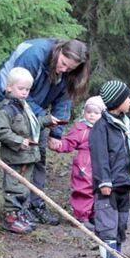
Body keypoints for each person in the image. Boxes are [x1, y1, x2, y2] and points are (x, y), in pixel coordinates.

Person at [0, 38, 90, 226]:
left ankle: (36, 204)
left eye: (69, 69)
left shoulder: (69, 73)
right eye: (63, 64)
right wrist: (42, 118)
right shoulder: (35, 55)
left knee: (39, 155)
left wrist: (56, 132)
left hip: (35, 108)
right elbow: (19, 92)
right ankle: (18, 209)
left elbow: (64, 101)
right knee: (22, 158)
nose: (64, 70)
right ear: (59, 52)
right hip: (11, 104)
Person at [88, 79, 130, 258]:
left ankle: (117, 255)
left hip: (124, 183)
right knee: (107, 223)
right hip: (108, 186)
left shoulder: (126, 124)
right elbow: (100, 157)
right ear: (116, 101)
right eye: (127, 98)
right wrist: (104, 181)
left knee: (121, 222)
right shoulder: (101, 128)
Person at [0, 67, 42, 234]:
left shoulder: (24, 107)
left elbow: (29, 126)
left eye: (27, 89)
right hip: (15, 156)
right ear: (9, 87)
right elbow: (2, 131)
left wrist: (47, 121)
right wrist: (19, 141)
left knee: (24, 187)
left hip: (27, 156)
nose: (25, 92)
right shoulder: (6, 110)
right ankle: (10, 217)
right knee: (14, 186)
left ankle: (20, 214)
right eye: (21, 89)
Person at [48, 95, 104, 227]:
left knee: (100, 188)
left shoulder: (105, 129)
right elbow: (69, 142)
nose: (91, 115)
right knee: (83, 188)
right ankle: (81, 216)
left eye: (96, 113)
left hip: (101, 163)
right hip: (84, 163)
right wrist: (59, 145)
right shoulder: (81, 129)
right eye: (88, 112)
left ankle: (95, 214)